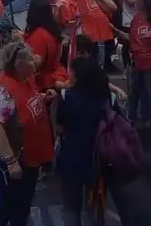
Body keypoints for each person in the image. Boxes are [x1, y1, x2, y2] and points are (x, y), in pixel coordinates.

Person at [0, 40, 54, 226]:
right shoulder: (5, 90)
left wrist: (43, 98)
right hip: (14, 155)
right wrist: (11, 162)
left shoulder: (25, 80)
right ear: (18, 64)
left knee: (21, 202)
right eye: (30, 59)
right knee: (12, 203)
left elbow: (25, 102)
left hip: (29, 153)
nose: (35, 60)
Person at [54, 53, 113, 225]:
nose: (69, 75)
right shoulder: (108, 99)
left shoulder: (68, 97)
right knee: (94, 208)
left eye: (71, 72)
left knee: (72, 208)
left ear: (79, 76)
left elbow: (60, 128)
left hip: (72, 159)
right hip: (100, 160)